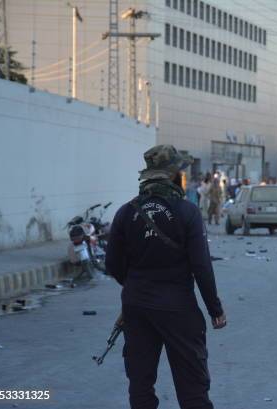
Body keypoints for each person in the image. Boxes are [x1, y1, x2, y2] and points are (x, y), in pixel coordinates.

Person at [106, 145, 226, 409]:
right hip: (178, 309)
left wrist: (136, 284)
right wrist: (214, 309)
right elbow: (201, 266)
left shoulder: (125, 212)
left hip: (136, 307)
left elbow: (112, 264)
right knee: (192, 387)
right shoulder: (187, 212)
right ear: (174, 176)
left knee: (140, 384)